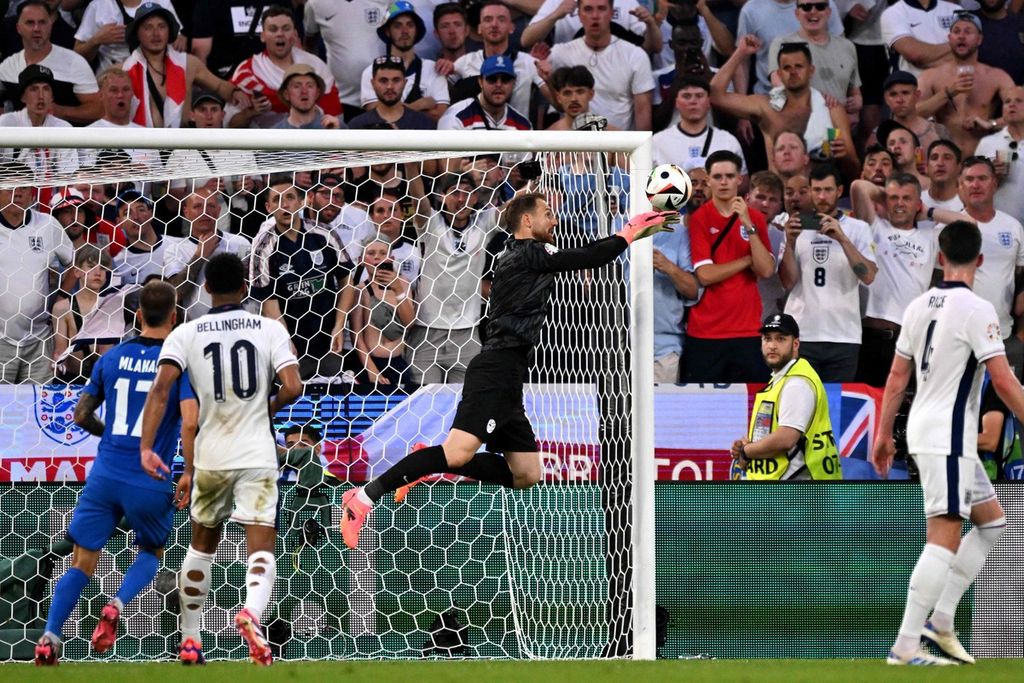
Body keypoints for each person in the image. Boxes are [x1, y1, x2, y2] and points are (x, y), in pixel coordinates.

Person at [338, 194, 679, 549]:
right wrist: (627, 232)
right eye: (548, 214)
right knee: (457, 453)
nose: (554, 221)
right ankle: (362, 498)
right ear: (527, 221)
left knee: (526, 474)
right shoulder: (530, 250)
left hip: (509, 373)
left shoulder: (514, 255)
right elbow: (586, 257)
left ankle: (428, 460)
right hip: (496, 368)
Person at [140, 252, 303, 666]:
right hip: (257, 450)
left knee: (202, 545)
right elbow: (294, 386)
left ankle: (191, 640)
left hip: (211, 451)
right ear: (246, 287)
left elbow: (161, 390)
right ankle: (251, 613)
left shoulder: (186, 333)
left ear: (207, 287)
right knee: (261, 542)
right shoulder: (270, 328)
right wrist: (265, 409)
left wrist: (146, 446)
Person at [872, 220, 1021, 666]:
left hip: (924, 428)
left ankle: (941, 619)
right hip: (949, 436)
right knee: (944, 534)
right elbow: (1003, 379)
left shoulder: (918, 306)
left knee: (991, 522)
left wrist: (883, 434)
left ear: (940, 257)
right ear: (980, 260)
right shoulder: (979, 309)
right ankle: (904, 646)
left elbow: (898, 376)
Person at [33, 280, 198, 666]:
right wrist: (190, 469)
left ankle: (50, 636)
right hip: (151, 476)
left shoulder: (109, 359)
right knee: (151, 550)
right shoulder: (177, 365)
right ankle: (118, 603)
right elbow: (191, 422)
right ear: (174, 317)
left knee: (81, 560)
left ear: (136, 315)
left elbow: (80, 415)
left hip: (105, 474)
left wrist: (113, 438)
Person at [684, 150, 776, 384]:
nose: (723, 182)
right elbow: (705, 275)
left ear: (739, 179)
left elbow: (765, 270)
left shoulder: (755, 218)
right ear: (709, 179)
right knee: (704, 413)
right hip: (705, 332)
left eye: (729, 176)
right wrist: (747, 261)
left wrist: (748, 224)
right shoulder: (700, 219)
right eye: (717, 177)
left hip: (747, 331)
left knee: (750, 411)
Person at [779, 163, 876, 382]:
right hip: (802, 333)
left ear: (839, 191)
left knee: (834, 410)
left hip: (844, 335)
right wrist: (790, 243)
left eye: (828, 190)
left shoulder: (857, 228)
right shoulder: (796, 227)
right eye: (817, 190)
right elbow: (787, 282)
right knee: (801, 406)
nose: (822, 196)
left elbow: (868, 276)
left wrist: (842, 239)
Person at [711, 39, 859, 181]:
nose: (793, 72)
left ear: (811, 70)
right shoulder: (766, 107)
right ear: (779, 74)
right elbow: (715, 96)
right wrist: (741, 53)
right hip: (777, 196)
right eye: (787, 67)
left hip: (819, 196)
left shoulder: (831, 109)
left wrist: (844, 156)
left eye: (799, 66)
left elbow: (854, 169)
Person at [249, 175, 350, 379]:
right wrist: (285, 339)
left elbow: (347, 281)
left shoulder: (324, 234)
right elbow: (269, 301)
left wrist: (339, 325)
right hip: (289, 346)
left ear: (302, 201)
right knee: (293, 405)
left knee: (332, 404)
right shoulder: (263, 247)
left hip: (328, 342)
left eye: (290, 197)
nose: (284, 204)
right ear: (268, 207)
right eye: (277, 200)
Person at [851, 173, 937, 387]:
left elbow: (968, 223)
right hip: (869, 335)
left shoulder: (930, 236)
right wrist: (887, 196)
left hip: (910, 337)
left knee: (906, 413)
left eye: (906, 198)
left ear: (918, 204)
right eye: (894, 198)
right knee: (869, 407)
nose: (899, 204)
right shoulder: (873, 227)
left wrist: (930, 212)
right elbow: (858, 186)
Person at [730, 313, 841, 480]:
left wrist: (747, 452)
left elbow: (786, 438)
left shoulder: (797, 383)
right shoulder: (782, 379)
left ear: (795, 344)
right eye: (767, 339)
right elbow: (772, 432)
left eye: (781, 339)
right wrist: (749, 444)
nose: (772, 345)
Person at [121, 3, 250, 128]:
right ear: (137, 33)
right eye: (148, 27)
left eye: (161, 26)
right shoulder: (123, 71)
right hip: (139, 145)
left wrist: (236, 92)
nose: (156, 33)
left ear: (169, 30)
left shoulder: (188, 64)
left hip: (181, 145)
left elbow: (219, 86)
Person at [0, 168, 73, 384]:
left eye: (23, 187)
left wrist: (61, 297)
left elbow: (74, 264)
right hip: (1, 340)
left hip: (39, 338)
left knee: (38, 405)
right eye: (10, 187)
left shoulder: (47, 225)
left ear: (32, 194)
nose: (18, 193)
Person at [537, 0, 654, 131]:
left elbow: (643, 115)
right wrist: (548, 81)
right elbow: (559, 105)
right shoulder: (560, 53)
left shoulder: (635, 55)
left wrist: (638, 150)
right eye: (588, 9)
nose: (595, 16)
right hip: (574, 146)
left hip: (617, 146)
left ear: (611, 13)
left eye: (601, 9)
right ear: (579, 15)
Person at [916, 12, 1016, 157]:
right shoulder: (931, 75)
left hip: (982, 157)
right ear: (950, 38)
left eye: (968, 32)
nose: (961, 36)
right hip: (945, 158)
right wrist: (948, 93)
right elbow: (914, 113)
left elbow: (1020, 112)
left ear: (979, 39)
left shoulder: (996, 76)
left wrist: (991, 124)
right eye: (956, 32)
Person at [228, 5, 341, 129]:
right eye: (273, 29)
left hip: (312, 142)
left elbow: (335, 116)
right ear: (262, 36)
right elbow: (229, 124)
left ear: (294, 34)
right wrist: (250, 112)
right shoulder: (248, 72)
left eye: (286, 29)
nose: (280, 34)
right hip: (266, 145)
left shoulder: (316, 66)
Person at [361, 0, 449, 121]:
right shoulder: (371, 72)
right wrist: (421, 104)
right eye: (397, 25)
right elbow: (378, 117)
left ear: (416, 30)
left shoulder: (433, 69)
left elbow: (439, 115)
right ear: (387, 31)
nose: (405, 31)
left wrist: (392, 110)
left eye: (410, 25)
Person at [651, 75, 746, 176]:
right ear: (676, 103)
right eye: (686, 96)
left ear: (709, 102)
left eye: (699, 95)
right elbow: (643, 184)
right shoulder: (657, 142)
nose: (693, 101)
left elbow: (743, 181)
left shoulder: (728, 141)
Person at [975, 85, 1024, 220]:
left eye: (1019, 101)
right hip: (998, 225)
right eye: (1007, 102)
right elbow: (971, 185)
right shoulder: (987, 143)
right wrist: (991, 175)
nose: (1011, 105)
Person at [349, 55, 437, 130]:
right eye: (383, 81)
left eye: (396, 80)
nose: (389, 86)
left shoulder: (423, 124)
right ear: (372, 83)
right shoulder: (357, 126)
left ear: (404, 83)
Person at [878, 70, 950, 154]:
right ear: (886, 99)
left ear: (917, 95)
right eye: (893, 94)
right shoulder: (879, 136)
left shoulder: (938, 132)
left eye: (905, 93)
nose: (899, 100)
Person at [881, 0, 959, 77]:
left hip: (955, 82)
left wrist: (927, 58)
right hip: (913, 85)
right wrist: (958, 46)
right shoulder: (893, 13)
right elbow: (914, 54)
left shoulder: (955, 9)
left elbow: (970, 50)